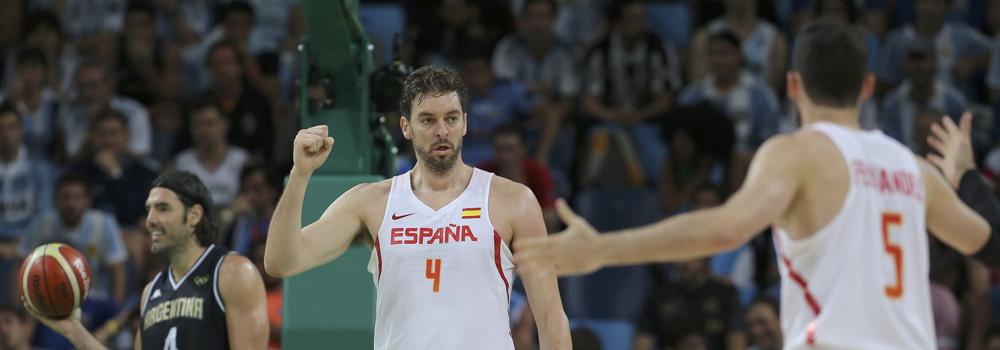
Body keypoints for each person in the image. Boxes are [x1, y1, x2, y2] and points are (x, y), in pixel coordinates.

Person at [515, 19, 1000, 348]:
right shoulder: (916, 171)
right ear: (868, 87)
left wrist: (603, 248)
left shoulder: (798, 151)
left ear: (793, 86)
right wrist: (963, 173)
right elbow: (991, 245)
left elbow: (728, 228)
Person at [263, 66, 570, 349]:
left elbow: (550, 316)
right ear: (406, 126)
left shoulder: (514, 200)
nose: (442, 131)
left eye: (451, 118)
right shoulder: (372, 202)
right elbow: (281, 262)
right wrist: (300, 175)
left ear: (465, 122)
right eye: (428, 119)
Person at [24, 171, 268, 349]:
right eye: (149, 209)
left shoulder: (233, 272)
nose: (150, 220)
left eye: (162, 208)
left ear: (194, 215)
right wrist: (72, 330)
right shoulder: (150, 293)